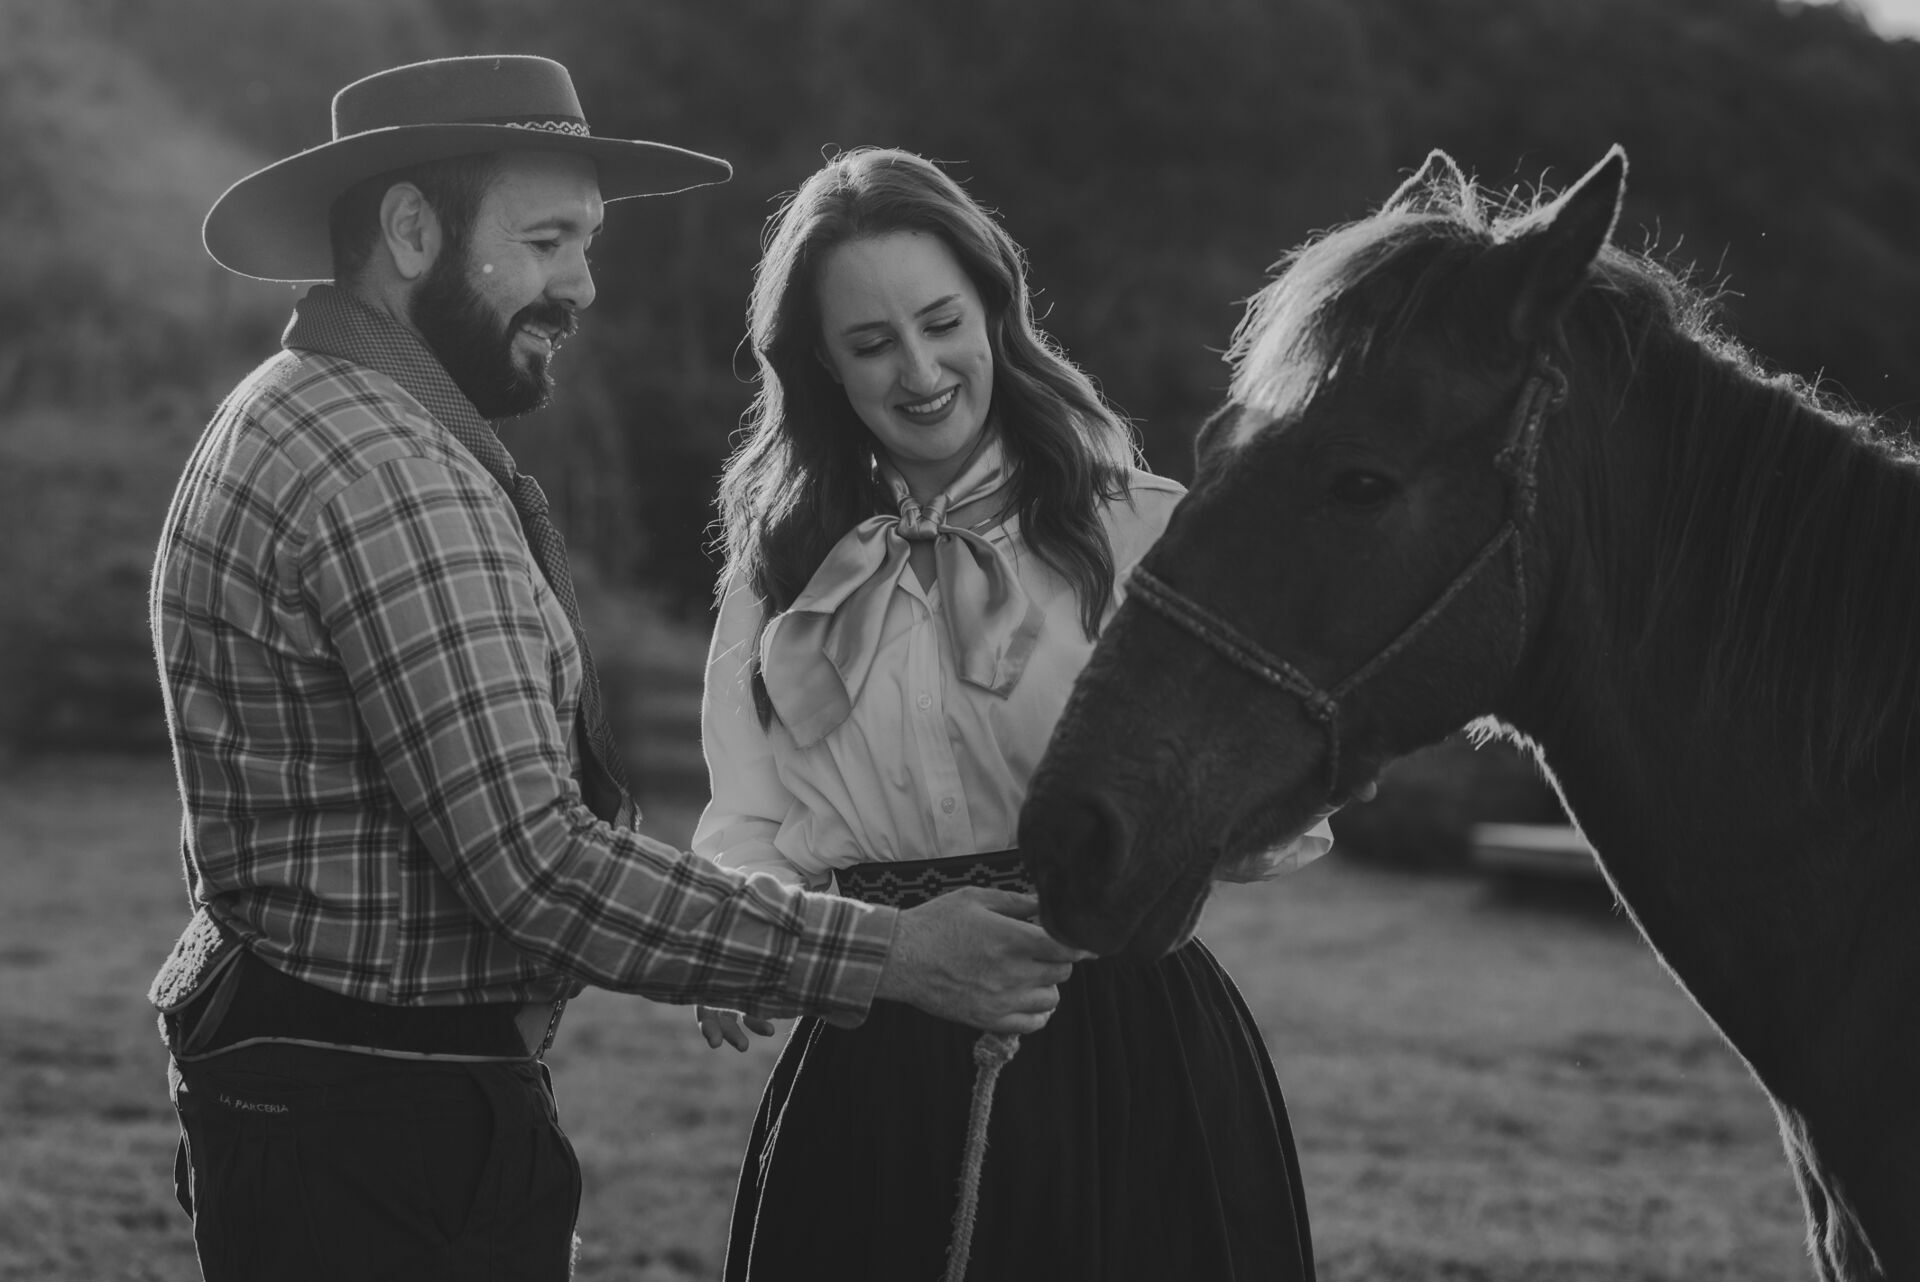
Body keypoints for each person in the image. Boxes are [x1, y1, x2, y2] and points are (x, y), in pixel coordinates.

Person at [148, 58, 1083, 1282]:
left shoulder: (302, 409)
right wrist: (899, 953)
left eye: (586, 243)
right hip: (380, 1125)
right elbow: (537, 865)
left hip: (333, 1096)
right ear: (413, 232)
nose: (581, 286)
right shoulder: (386, 472)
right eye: (545, 242)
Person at [693, 146, 1336, 1282]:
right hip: (875, 1048)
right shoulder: (779, 574)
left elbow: (1275, 820)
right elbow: (748, 816)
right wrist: (750, 950)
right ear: (822, 368)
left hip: (1122, 1048)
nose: (920, 368)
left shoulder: (1143, 532)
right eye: (871, 343)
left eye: (942, 321)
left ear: (997, 310)